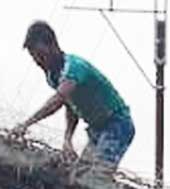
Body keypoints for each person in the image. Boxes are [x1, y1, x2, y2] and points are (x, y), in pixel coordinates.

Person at [13, 20, 135, 170]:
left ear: (53, 46)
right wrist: (67, 139)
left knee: (97, 178)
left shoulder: (74, 68)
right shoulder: (53, 77)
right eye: (34, 58)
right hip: (96, 128)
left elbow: (57, 101)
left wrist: (26, 124)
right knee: (78, 175)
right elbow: (71, 105)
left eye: (41, 55)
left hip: (116, 123)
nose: (38, 61)